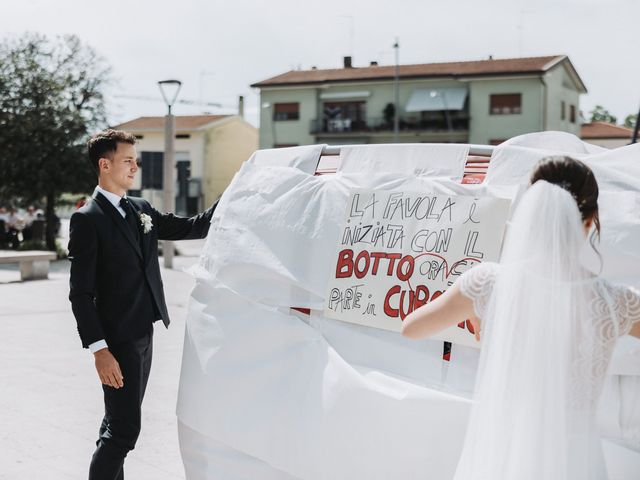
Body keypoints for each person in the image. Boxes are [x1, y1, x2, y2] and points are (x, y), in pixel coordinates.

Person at [402, 156, 640, 480]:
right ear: (591, 220)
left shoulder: (487, 284)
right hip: (576, 461)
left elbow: (412, 328)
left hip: (504, 450)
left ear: (532, 216)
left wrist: (474, 314)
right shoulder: (617, 301)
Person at [68, 129, 218, 480]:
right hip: (115, 342)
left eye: (135, 160)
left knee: (116, 424)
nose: (135, 167)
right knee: (124, 432)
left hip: (143, 334)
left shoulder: (140, 209)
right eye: (127, 161)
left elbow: (194, 227)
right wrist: (99, 350)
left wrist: (239, 191)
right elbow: (80, 294)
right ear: (105, 165)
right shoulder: (87, 218)